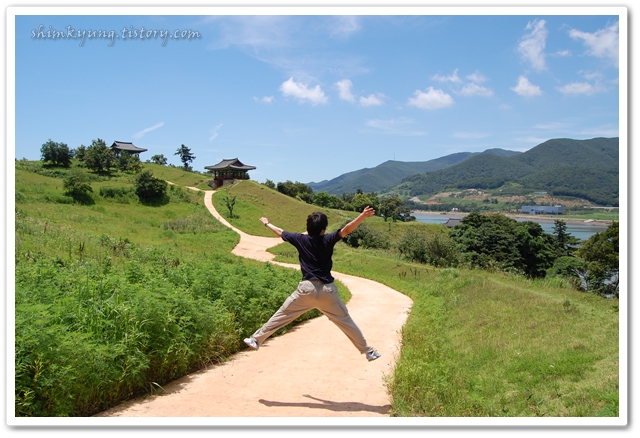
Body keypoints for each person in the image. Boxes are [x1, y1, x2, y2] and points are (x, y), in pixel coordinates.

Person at [243, 206, 381, 361]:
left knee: (282, 315)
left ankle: (255, 339)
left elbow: (280, 232)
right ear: (323, 229)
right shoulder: (328, 239)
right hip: (328, 292)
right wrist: (362, 216)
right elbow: (347, 230)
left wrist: (267, 223)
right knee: (346, 322)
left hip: (306, 290)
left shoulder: (300, 239)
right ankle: (368, 351)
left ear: (308, 228)